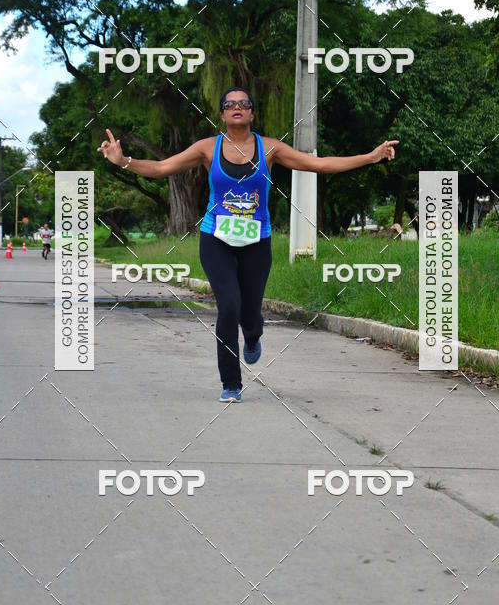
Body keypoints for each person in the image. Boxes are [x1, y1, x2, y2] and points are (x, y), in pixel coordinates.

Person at [98, 87, 398, 402]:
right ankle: (231, 384)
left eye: (244, 103)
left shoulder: (270, 149)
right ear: (223, 114)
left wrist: (370, 157)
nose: (237, 107)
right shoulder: (206, 149)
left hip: (257, 242)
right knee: (228, 306)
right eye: (230, 104)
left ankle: (253, 336)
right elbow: (161, 169)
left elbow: (319, 165)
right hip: (216, 240)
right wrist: (123, 161)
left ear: (252, 113)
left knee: (250, 314)